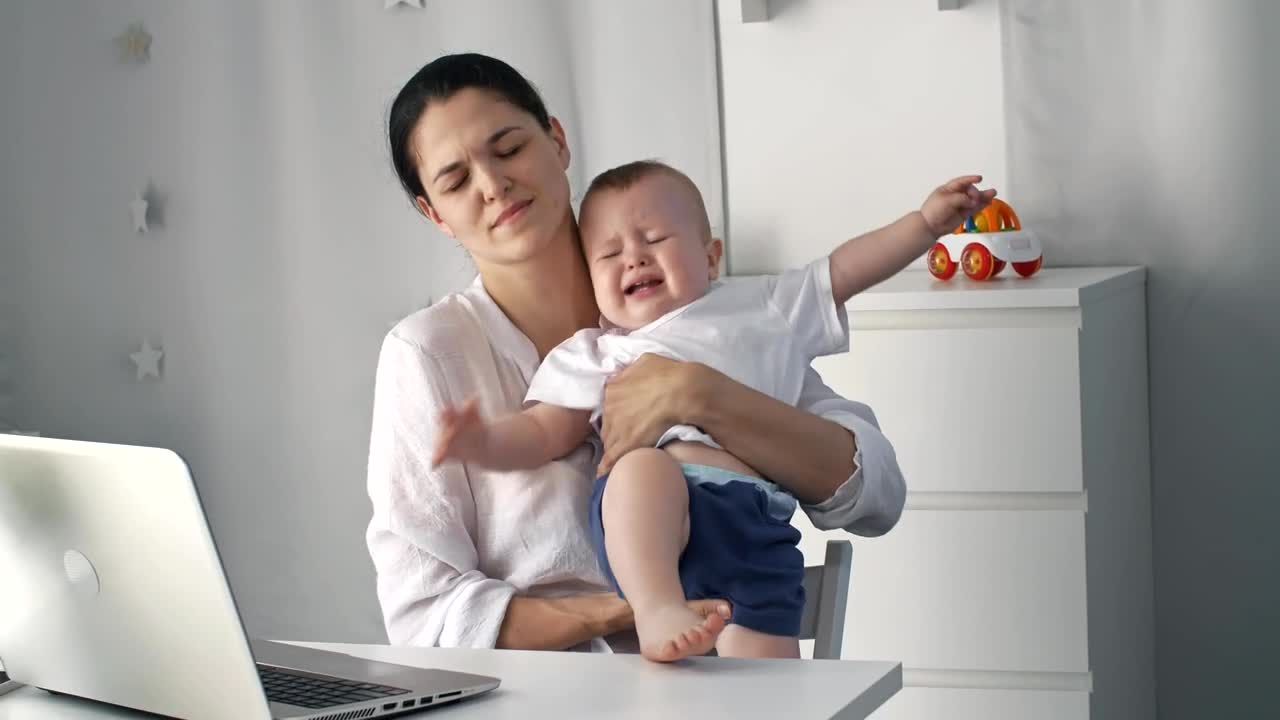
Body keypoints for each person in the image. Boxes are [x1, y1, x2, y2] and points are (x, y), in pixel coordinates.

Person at [366, 52, 907, 654]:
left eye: (509, 148)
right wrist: (631, 610)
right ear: (434, 213)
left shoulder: (695, 308)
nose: (493, 185)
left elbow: (876, 495)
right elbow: (422, 614)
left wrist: (700, 393)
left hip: (728, 684)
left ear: (557, 140)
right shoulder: (428, 354)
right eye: (457, 181)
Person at [431, 161, 993, 661]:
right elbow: (544, 431)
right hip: (654, 525)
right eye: (610, 254)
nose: (635, 258)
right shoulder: (597, 350)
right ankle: (656, 609)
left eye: (655, 238)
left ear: (710, 254)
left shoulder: (761, 309)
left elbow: (843, 272)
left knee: (765, 679)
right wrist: (483, 444)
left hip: (751, 518)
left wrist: (924, 225)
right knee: (640, 471)